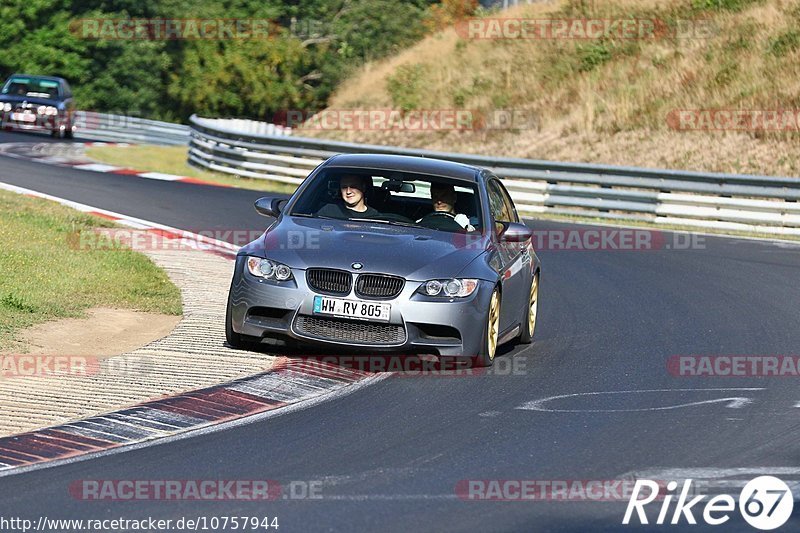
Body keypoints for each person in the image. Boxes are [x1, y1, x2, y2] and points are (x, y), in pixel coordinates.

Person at [316, 174, 381, 219]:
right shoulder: (328, 211)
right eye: (344, 187)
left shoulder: (374, 216)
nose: (348, 192)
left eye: (353, 187)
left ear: (363, 188)